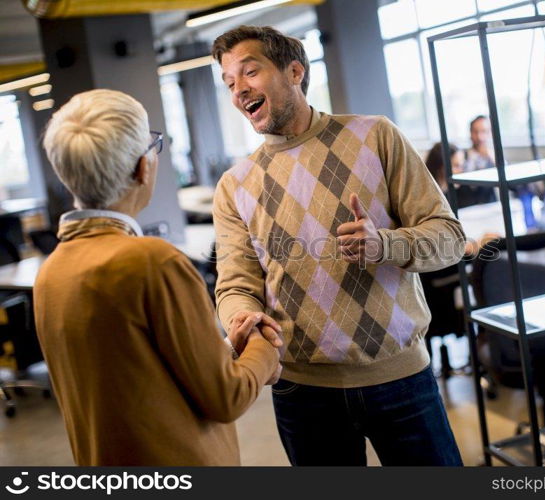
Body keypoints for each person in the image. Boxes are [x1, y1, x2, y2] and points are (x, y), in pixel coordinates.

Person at [211, 26, 466, 466]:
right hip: (302, 392)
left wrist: (383, 244)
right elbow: (235, 283)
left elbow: (450, 238)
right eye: (230, 83)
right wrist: (239, 316)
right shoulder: (234, 186)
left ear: (294, 71)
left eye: (249, 72)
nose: (239, 91)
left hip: (402, 378)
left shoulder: (376, 136)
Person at [35, 89, 282, 466]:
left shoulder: (51, 272)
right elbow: (226, 396)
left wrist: (228, 348)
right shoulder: (153, 262)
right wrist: (265, 346)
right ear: (142, 168)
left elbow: (140, 376)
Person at [457, 115, 497, 206]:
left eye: (483, 131)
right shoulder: (460, 157)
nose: (479, 137)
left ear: (489, 133)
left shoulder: (494, 157)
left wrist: (494, 160)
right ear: (470, 133)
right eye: (475, 132)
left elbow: (512, 186)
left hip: (489, 207)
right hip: (465, 208)